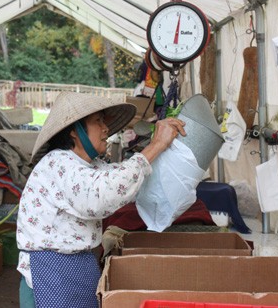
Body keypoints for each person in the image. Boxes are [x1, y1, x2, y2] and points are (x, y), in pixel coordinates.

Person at [16, 91, 186, 307]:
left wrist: (159, 150)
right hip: (52, 270)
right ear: (75, 131)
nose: (106, 128)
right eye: (98, 121)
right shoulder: (57, 163)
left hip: (80, 265)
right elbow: (104, 196)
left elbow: (123, 178)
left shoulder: (90, 165)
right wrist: (156, 146)